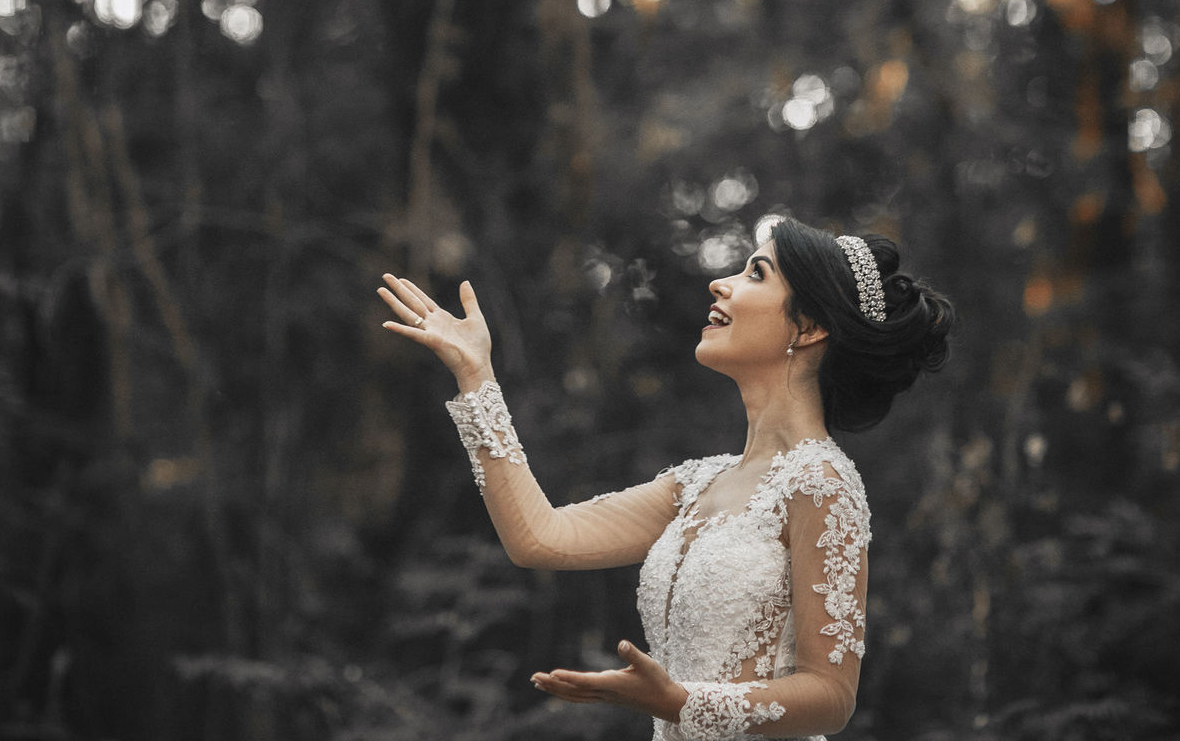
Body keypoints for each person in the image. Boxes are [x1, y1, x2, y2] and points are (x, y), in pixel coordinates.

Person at [377, 215, 954, 740]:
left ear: (809, 328)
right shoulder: (694, 485)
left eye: (756, 273)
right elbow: (539, 537)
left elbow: (831, 697)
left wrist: (683, 702)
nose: (719, 283)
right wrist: (476, 378)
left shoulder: (822, 484)